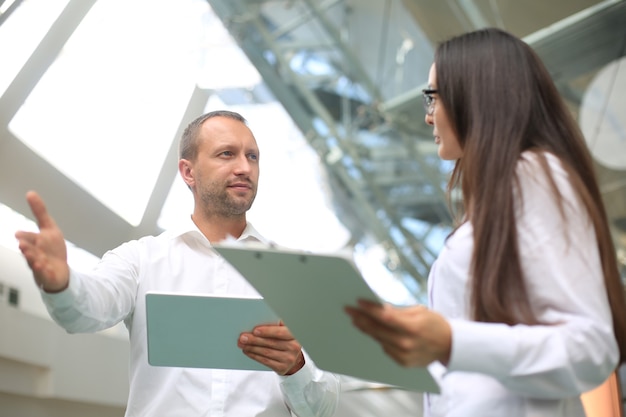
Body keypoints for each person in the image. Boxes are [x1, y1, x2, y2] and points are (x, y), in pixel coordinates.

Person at [345, 28, 626, 417]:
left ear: (476, 95)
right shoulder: (499, 195)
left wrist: (451, 342)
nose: (428, 117)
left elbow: (590, 347)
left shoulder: (533, 174)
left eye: (432, 97)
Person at [15, 110, 340, 417]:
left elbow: (322, 409)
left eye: (252, 156)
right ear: (188, 172)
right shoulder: (141, 258)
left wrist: (294, 368)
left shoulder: (297, 276)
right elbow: (85, 312)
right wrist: (62, 284)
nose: (245, 167)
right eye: (227, 154)